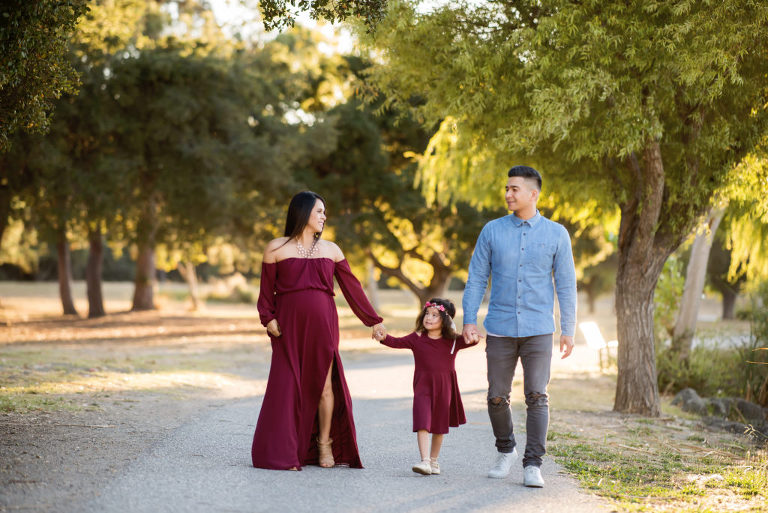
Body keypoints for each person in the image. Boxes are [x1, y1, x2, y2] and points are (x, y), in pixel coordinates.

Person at [252, 191, 387, 471]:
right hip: (288, 327)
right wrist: (268, 318)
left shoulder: (332, 250)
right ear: (303, 213)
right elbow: (266, 294)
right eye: (320, 212)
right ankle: (286, 451)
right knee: (287, 386)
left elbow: (353, 290)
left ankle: (324, 443)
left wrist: (373, 320)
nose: (324, 217)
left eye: (325, 212)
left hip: (323, 325)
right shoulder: (276, 248)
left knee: (325, 387)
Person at [462, 165, 576, 488]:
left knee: (537, 395)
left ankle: (533, 464)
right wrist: (469, 319)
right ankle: (506, 449)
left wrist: (568, 328)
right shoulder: (492, 231)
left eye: (515, 189)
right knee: (497, 396)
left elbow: (567, 284)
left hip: (539, 328)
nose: (508, 194)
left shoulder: (557, 234)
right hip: (499, 327)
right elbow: (476, 279)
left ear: (532, 194)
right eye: (507, 188)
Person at [374, 298, 478, 476]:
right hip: (422, 388)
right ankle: (425, 461)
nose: (429, 318)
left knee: (438, 427)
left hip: (445, 389)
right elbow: (396, 342)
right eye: (427, 314)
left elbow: (471, 341)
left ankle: (434, 460)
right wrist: (383, 338)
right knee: (422, 422)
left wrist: (474, 337)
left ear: (445, 320)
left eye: (435, 315)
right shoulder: (417, 338)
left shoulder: (452, 341)